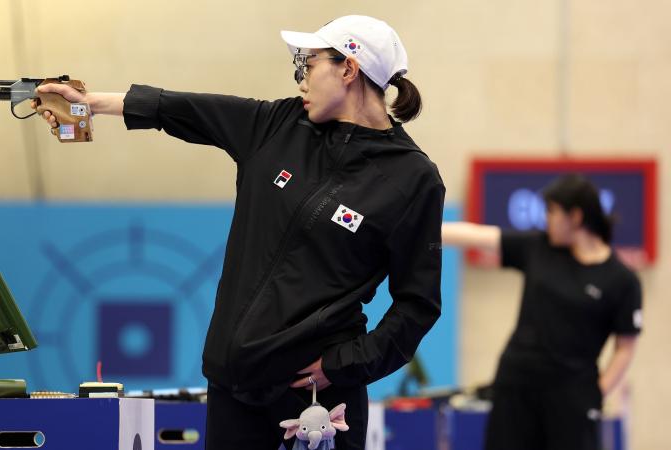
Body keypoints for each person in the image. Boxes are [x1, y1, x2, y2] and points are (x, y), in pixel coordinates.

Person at [33, 15, 444, 450]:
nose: (301, 80)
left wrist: (343, 366)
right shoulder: (278, 124)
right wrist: (87, 102)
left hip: (319, 403)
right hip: (233, 388)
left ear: (348, 69)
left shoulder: (412, 178)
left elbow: (417, 305)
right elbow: (181, 108)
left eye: (309, 64)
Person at [443, 174, 642, 450]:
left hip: (572, 396)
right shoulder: (539, 248)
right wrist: (423, 227)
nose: (545, 219)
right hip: (516, 386)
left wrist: (597, 392)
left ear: (575, 216)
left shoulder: (621, 280)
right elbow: (479, 235)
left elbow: (625, 347)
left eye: (551, 211)